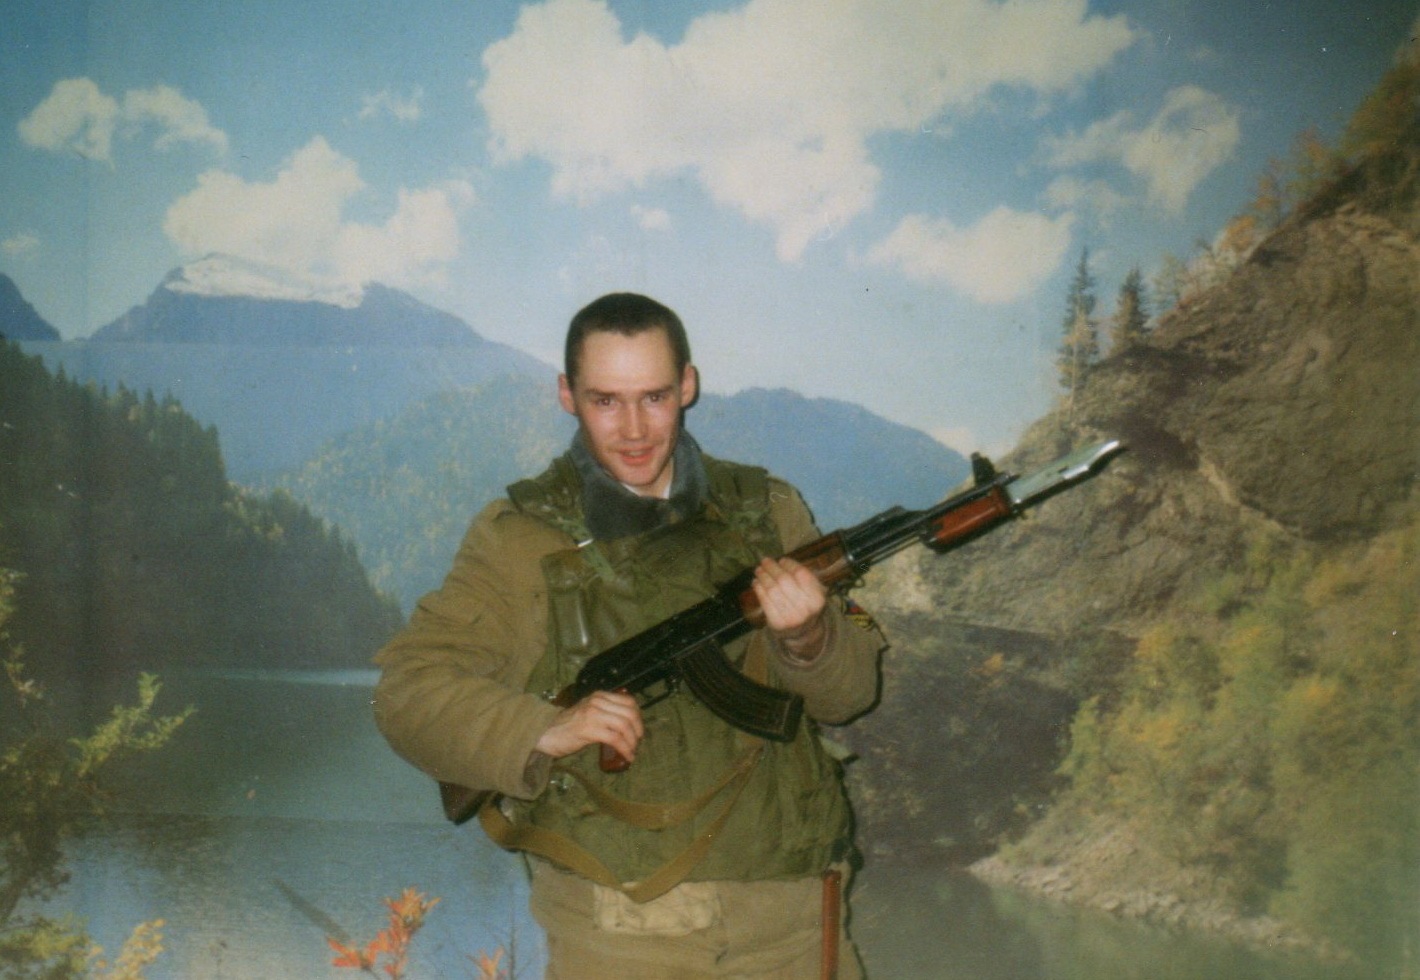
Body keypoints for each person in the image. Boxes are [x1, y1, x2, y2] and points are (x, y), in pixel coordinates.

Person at [373, 292, 885, 978]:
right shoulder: (521, 539)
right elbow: (407, 691)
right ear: (567, 395)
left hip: (794, 916)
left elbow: (851, 695)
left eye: (655, 397)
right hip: (621, 932)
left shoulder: (771, 511)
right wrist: (541, 728)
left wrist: (810, 638)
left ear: (688, 386)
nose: (635, 429)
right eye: (606, 401)